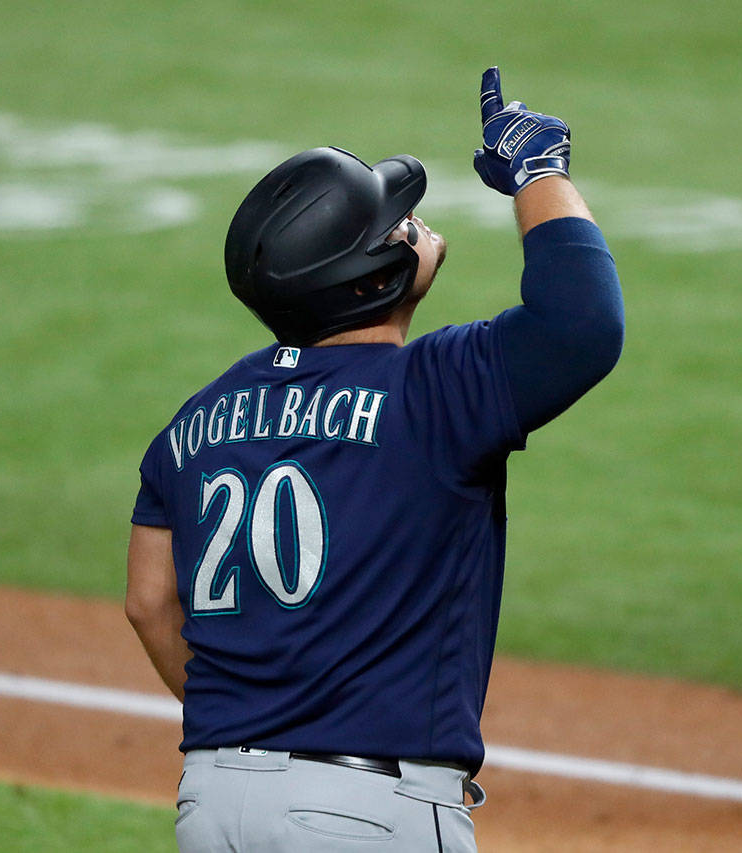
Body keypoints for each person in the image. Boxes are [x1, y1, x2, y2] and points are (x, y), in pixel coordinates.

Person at [125, 67, 624, 852]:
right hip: (363, 813)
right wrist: (539, 174)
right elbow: (583, 325)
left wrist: (261, 724)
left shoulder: (196, 423)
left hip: (214, 801)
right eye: (392, 223)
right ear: (369, 278)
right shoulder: (432, 391)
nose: (409, 219)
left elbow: (149, 601)